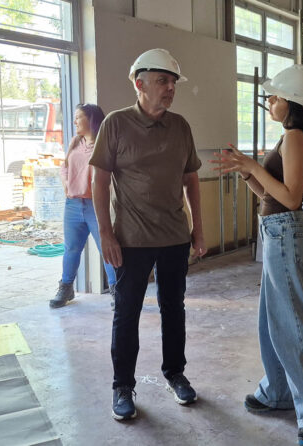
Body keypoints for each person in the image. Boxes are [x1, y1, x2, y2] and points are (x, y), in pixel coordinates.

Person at [210, 64, 303, 446]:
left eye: (274, 97)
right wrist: (247, 173)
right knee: (272, 322)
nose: (269, 102)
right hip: (277, 232)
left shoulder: (295, 137)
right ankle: (278, 392)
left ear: (292, 102)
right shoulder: (290, 137)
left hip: (286, 234)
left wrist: (253, 165)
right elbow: (272, 195)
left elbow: (292, 198)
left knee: (293, 325)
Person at [89, 48, 206, 421]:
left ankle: (175, 374)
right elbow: (99, 180)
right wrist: (106, 233)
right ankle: (122, 386)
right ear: (139, 84)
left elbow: (191, 180)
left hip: (174, 237)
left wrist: (198, 229)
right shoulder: (116, 124)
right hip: (131, 240)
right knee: (127, 312)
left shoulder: (181, 126)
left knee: (174, 309)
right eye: (162, 81)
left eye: (172, 82)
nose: (170, 88)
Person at [50, 104, 116, 309]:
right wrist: (66, 184)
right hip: (73, 204)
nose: (75, 121)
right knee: (71, 248)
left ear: (92, 120)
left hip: (95, 205)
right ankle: (66, 287)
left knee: (107, 248)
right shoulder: (75, 141)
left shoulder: (105, 145)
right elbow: (64, 167)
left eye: (78, 117)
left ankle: (117, 290)